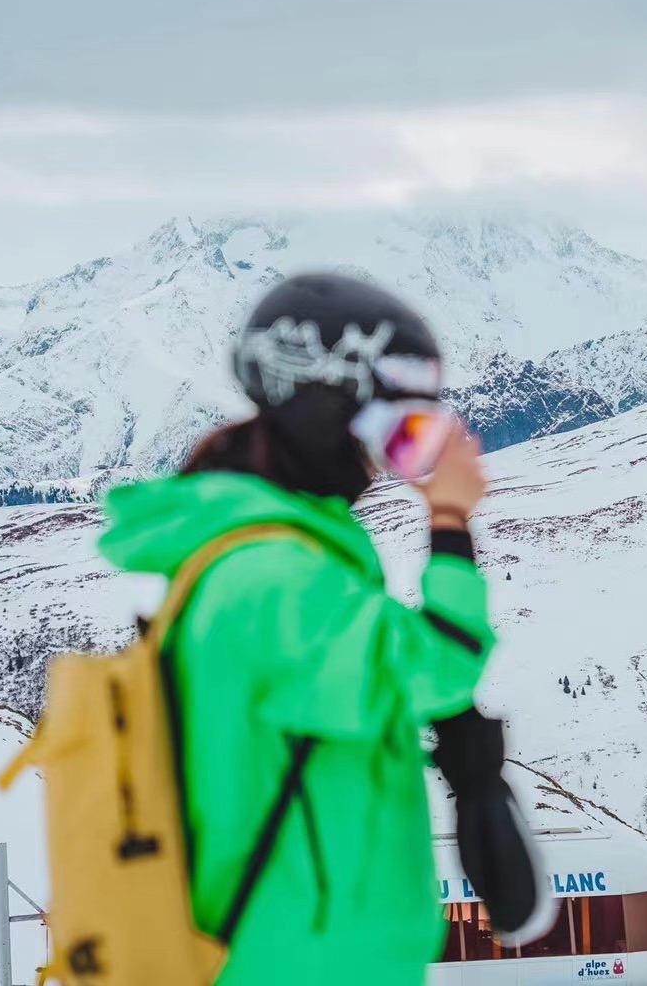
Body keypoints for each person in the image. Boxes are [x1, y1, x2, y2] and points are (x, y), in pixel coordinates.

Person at [97, 273, 532, 984]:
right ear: (328, 409)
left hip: (316, 953)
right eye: (400, 437)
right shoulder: (273, 575)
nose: (395, 468)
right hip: (288, 959)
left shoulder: (280, 560)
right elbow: (435, 667)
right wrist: (450, 519)